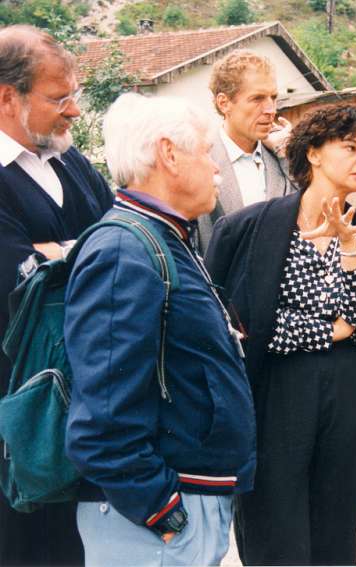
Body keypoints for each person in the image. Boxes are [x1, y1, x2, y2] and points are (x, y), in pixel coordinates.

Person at [63, 93, 256, 566]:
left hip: (180, 507)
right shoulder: (124, 250)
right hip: (154, 521)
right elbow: (102, 423)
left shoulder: (162, 238)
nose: (216, 168)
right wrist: (162, 512)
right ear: (169, 154)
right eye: (207, 152)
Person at [206, 104, 356, 565]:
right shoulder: (247, 228)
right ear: (313, 152)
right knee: (273, 527)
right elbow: (244, 325)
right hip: (275, 390)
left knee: (336, 529)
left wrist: (349, 248)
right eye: (350, 147)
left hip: (349, 392)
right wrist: (330, 331)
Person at [0, 24, 113, 566]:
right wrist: (85, 253)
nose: (73, 111)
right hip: (18, 410)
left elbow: (126, 243)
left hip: (86, 401)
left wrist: (57, 251)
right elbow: (16, 279)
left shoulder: (72, 162)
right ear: (7, 97)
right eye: (58, 97)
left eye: (76, 95)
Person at [196, 48, 295, 254]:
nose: (271, 110)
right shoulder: (199, 161)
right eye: (257, 99)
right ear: (224, 103)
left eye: (273, 97)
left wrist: (286, 153)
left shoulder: (283, 157)